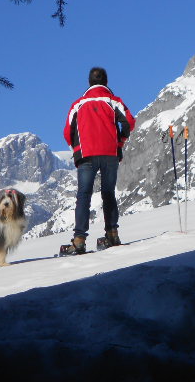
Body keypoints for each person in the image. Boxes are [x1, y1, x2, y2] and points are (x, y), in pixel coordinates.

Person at [60, 67, 135, 254]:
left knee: (83, 195)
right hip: (110, 153)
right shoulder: (113, 100)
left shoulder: (78, 104)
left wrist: (76, 148)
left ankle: (79, 241)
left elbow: (67, 132)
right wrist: (120, 142)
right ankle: (112, 234)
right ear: (106, 82)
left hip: (86, 155)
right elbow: (129, 121)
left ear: (88, 82)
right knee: (108, 193)